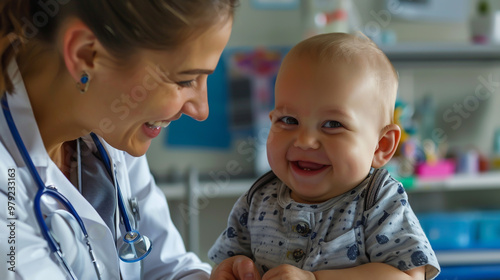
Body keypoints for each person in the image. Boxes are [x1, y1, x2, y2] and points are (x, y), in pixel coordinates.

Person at [0, 0, 240, 279]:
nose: (201, 111)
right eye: (186, 80)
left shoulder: (110, 135)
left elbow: (168, 267)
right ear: (85, 53)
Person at [208, 33, 441, 280]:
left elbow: (408, 277)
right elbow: (226, 261)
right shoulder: (257, 199)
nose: (304, 141)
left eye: (332, 124)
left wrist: (315, 278)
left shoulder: (379, 201)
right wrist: (233, 268)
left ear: (380, 145)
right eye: (289, 120)